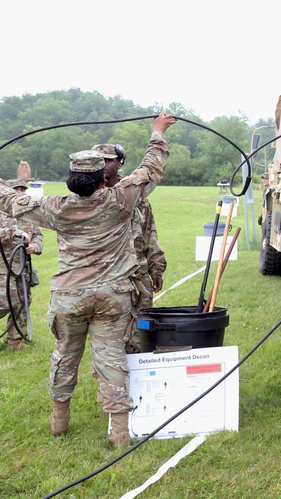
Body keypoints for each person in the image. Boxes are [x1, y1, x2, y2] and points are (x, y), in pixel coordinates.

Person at [0, 112, 176, 447]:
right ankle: (120, 434)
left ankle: (59, 423)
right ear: (100, 177)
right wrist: (157, 132)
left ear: (71, 178)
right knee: (111, 359)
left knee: (65, 355)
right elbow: (150, 169)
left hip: (69, 297)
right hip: (112, 297)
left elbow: (9, 200)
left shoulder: (56, 207)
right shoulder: (120, 200)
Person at [93, 143, 167, 353]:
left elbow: (149, 234)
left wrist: (156, 267)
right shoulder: (87, 196)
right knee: (110, 331)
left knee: (141, 327)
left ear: (120, 163)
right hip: (105, 277)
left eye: (109, 160)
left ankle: (138, 368)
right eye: (99, 160)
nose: (104, 165)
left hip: (137, 276)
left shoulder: (135, 195)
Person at [1, 179, 43, 351]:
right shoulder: (2, 212)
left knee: (22, 303)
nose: (19, 192)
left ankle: (15, 341)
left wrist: (35, 247)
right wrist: (14, 233)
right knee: (3, 303)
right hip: (3, 267)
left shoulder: (28, 215)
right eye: (15, 189)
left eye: (22, 189)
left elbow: (38, 237)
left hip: (23, 267)